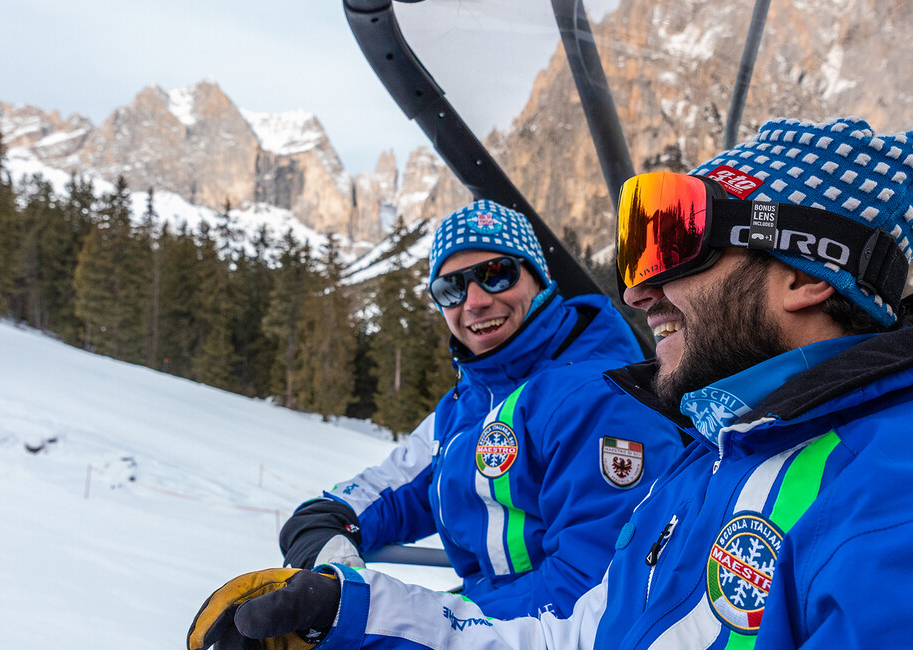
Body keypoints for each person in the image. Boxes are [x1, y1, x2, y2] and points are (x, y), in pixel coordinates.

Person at [188, 116, 913, 649]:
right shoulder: (729, 451)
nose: (639, 290)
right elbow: (588, 634)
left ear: (803, 276)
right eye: (450, 289)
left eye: (677, 246)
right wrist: (354, 613)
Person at [274, 199, 684, 619]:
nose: (474, 301)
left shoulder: (601, 399)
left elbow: (593, 594)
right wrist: (327, 521)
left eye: (496, 274)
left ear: (539, 278)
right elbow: (399, 489)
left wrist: (416, 621)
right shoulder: (470, 402)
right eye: (450, 288)